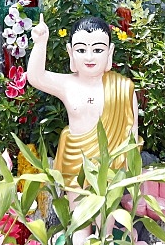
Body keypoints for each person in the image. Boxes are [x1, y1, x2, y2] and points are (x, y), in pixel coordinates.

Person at [28, 14, 138, 186]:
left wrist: (130, 173)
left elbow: (132, 134)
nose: (89, 57)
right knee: (77, 213)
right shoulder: (67, 84)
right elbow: (36, 77)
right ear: (70, 52)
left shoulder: (123, 88)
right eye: (81, 50)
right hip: (75, 164)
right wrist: (40, 43)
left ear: (110, 52)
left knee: (106, 212)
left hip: (110, 167)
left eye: (98, 50)